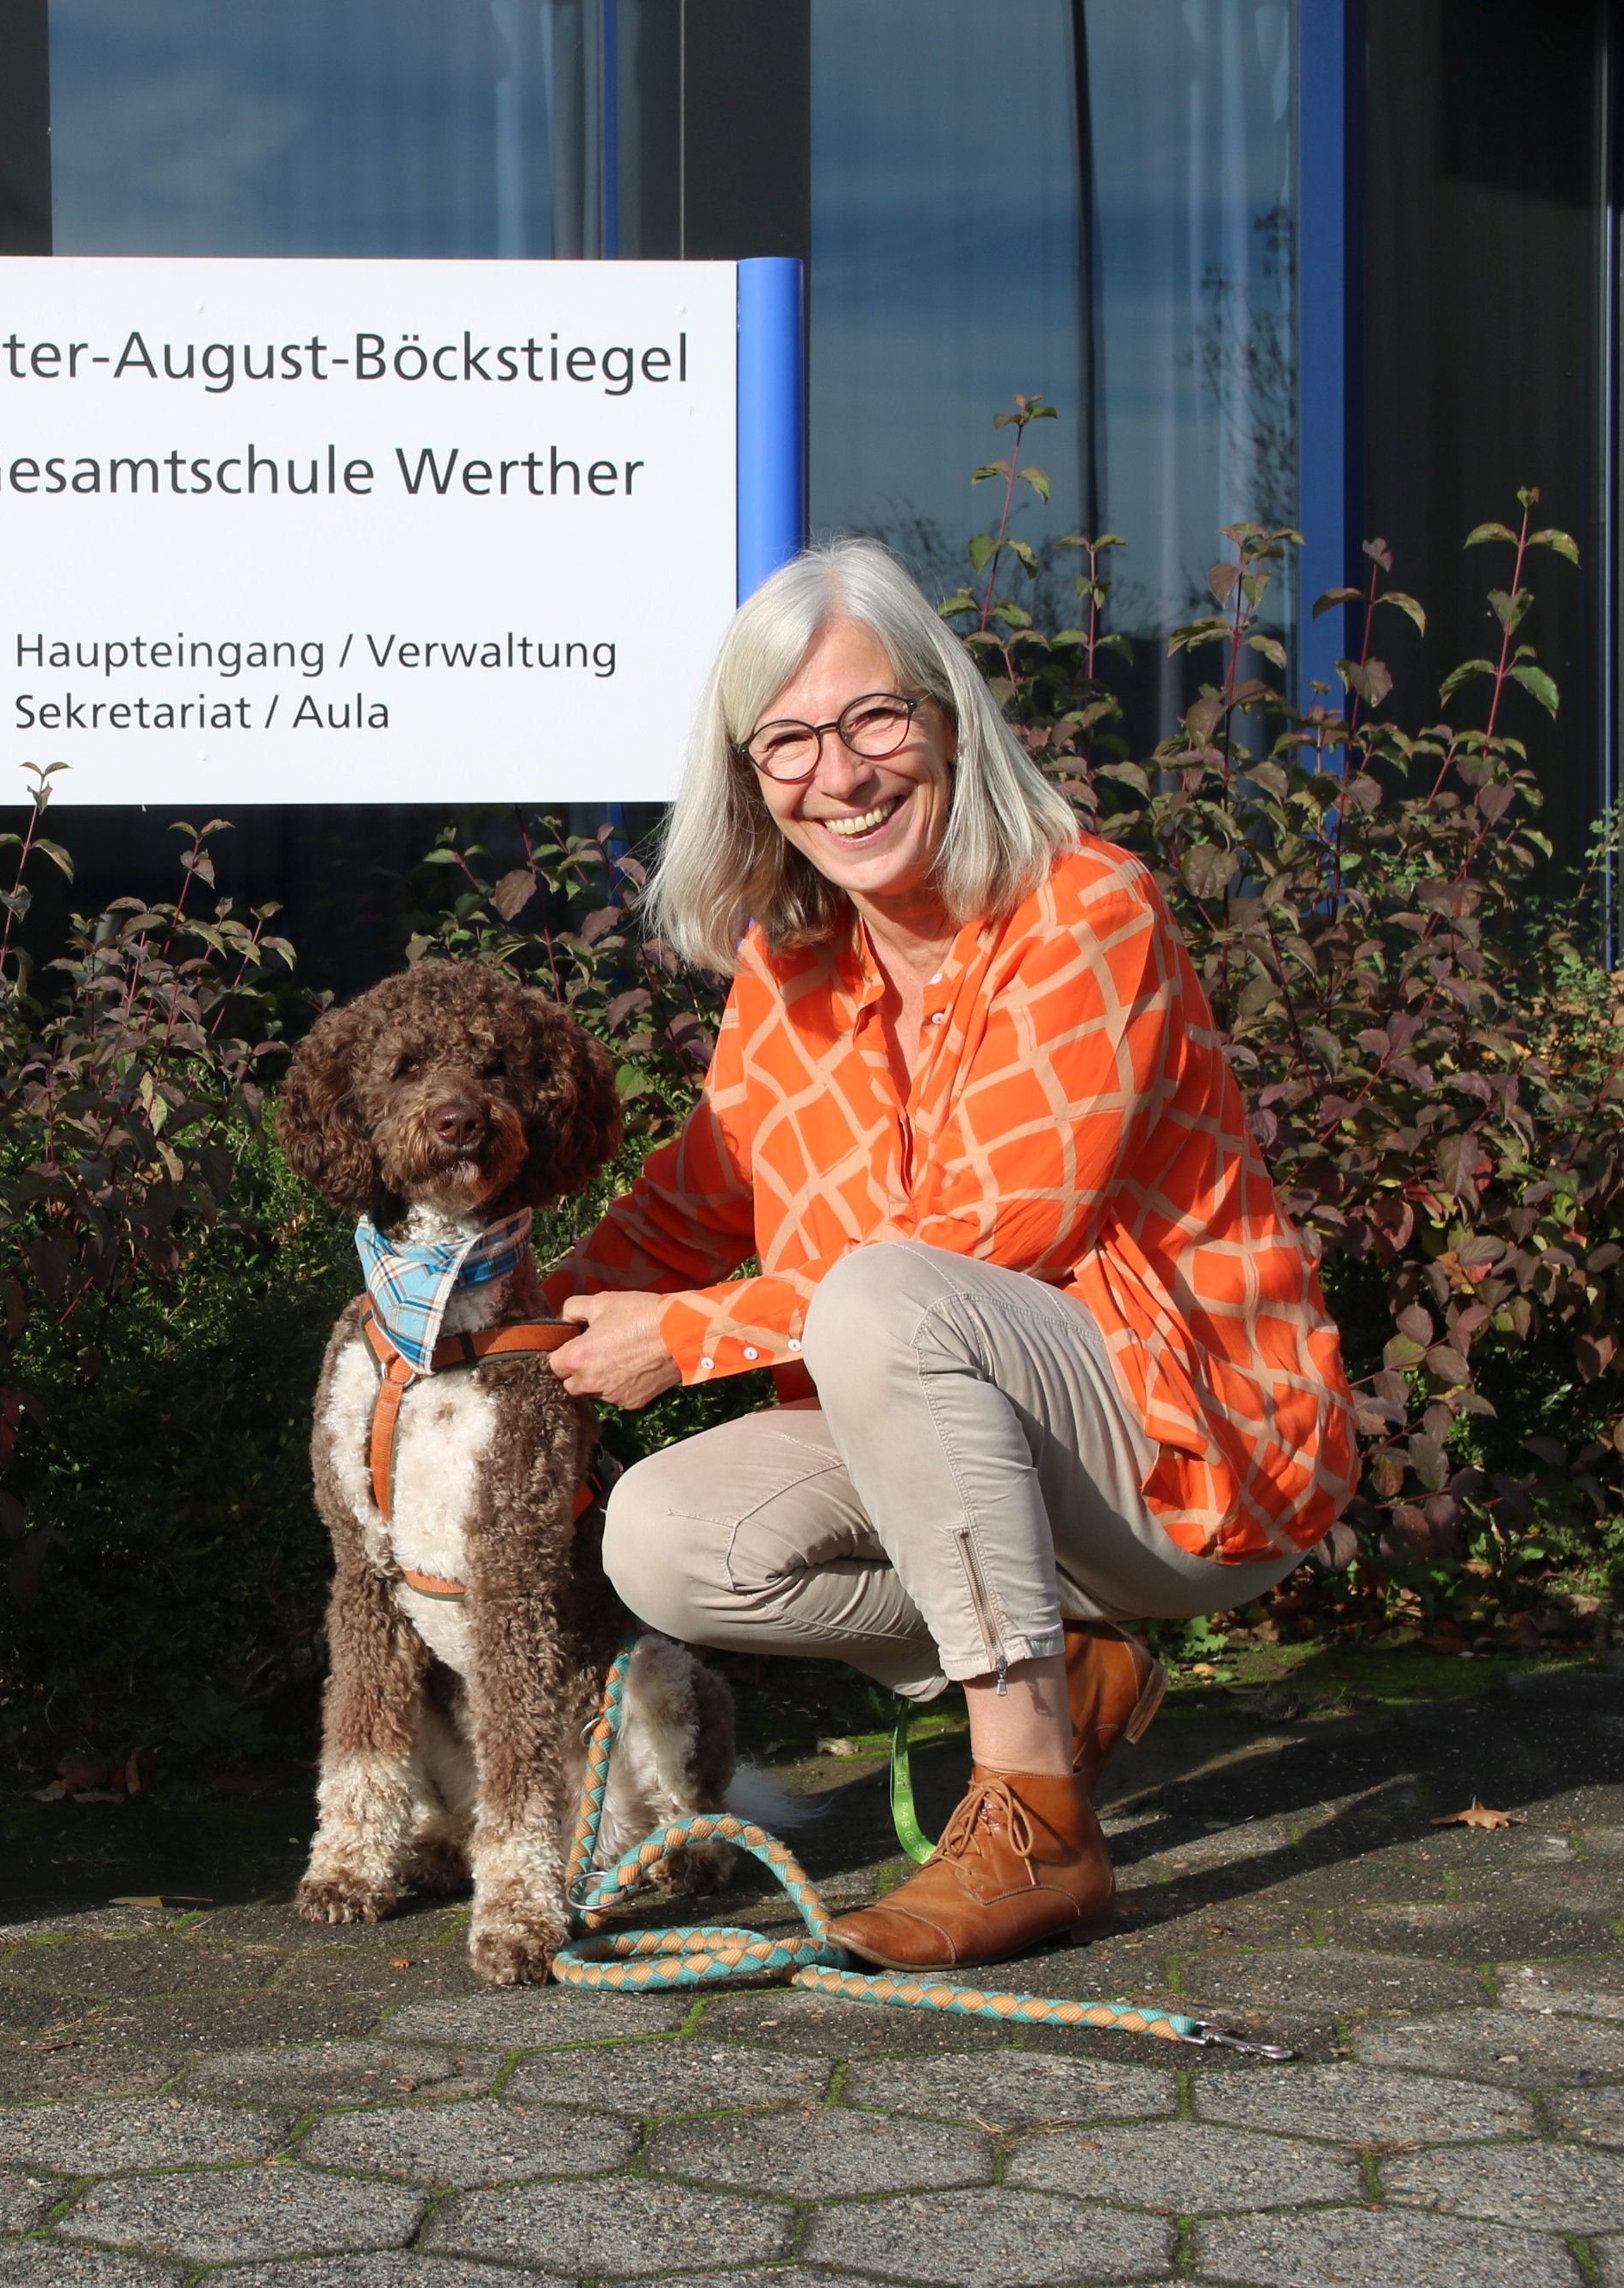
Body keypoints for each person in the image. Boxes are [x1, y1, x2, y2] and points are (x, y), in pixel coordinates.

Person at [544, 538, 1355, 1971]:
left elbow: (1000, 1226)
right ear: (749, 778)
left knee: (883, 1291)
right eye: (788, 740)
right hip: (971, 1443)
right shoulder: (789, 971)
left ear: (948, 719)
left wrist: (683, 1340)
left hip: (1186, 1444)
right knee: (666, 1540)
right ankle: (1077, 1668)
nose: (840, 774)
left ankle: (1036, 1811)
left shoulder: (1088, 912)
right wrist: (494, 1323)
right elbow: (693, 1199)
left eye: (872, 720)